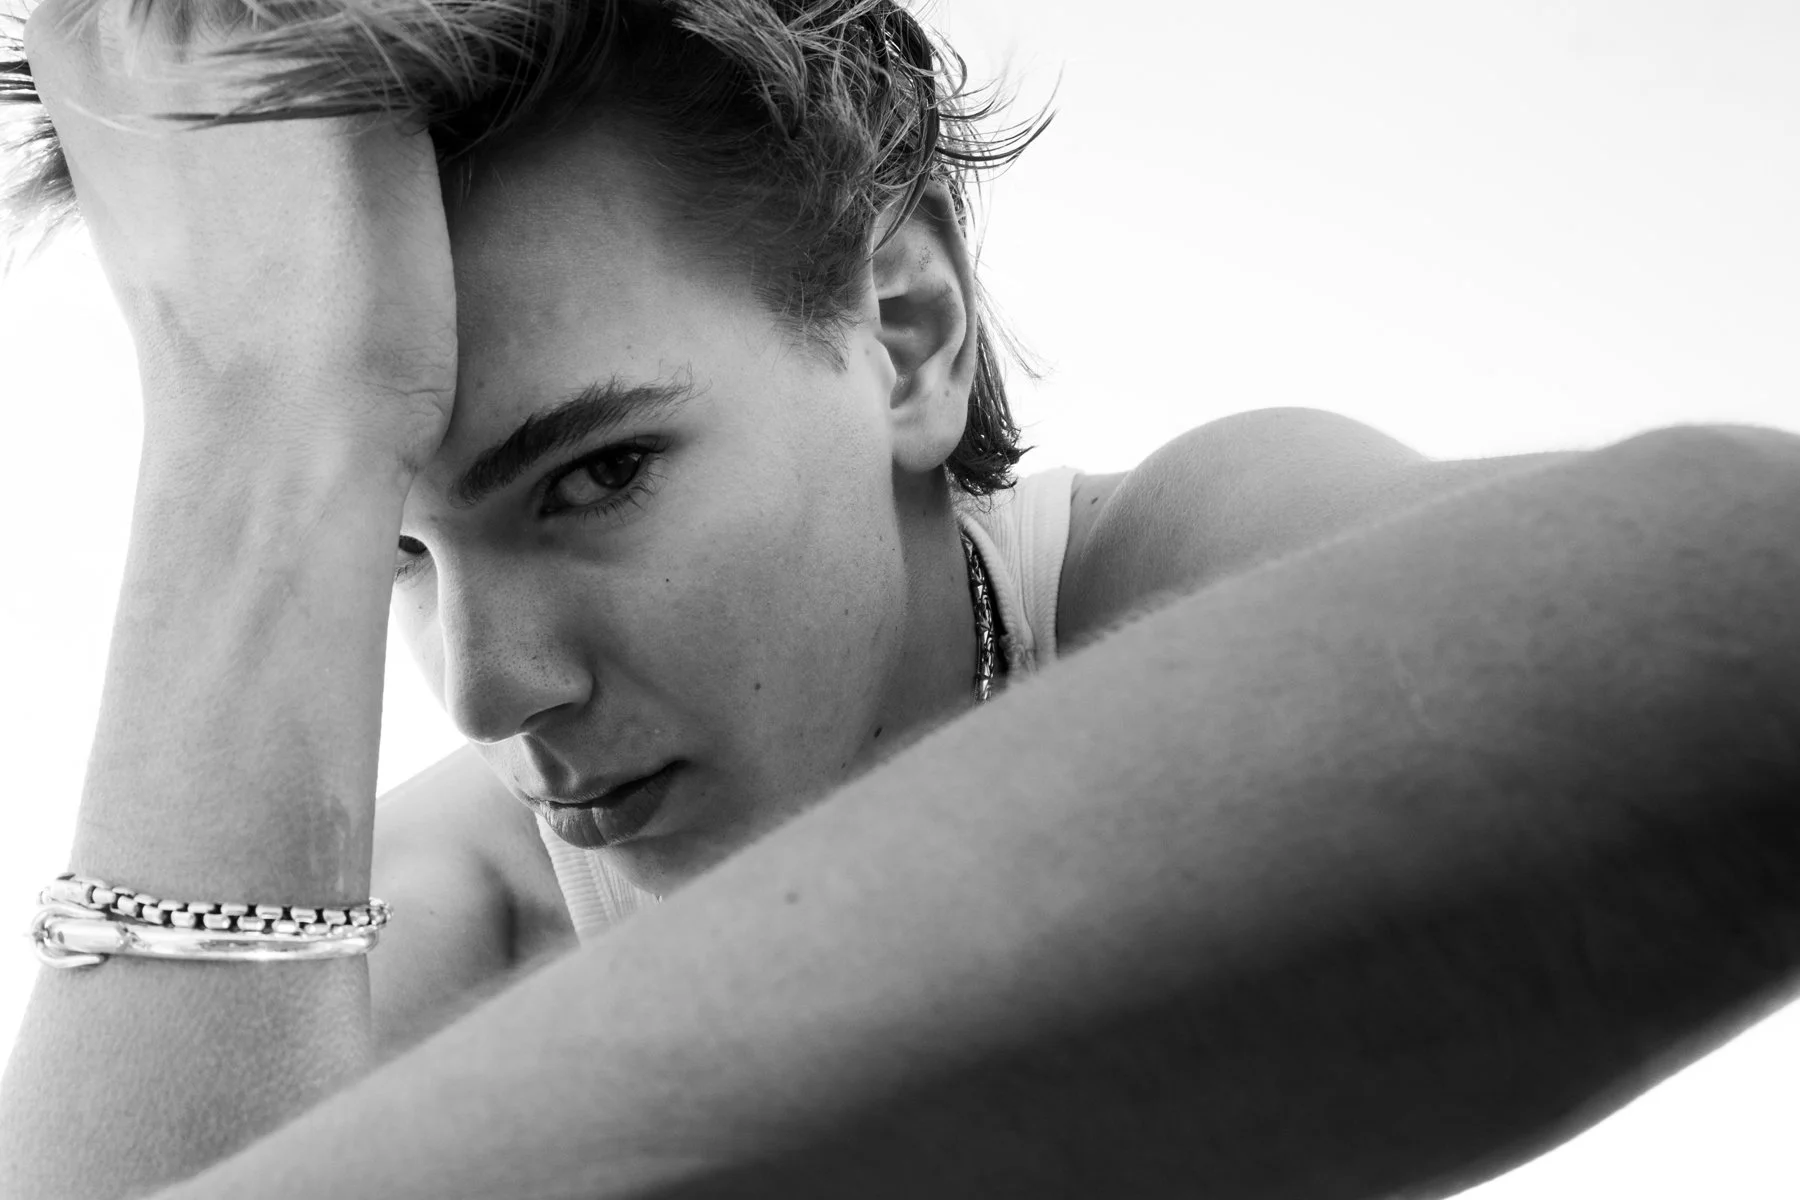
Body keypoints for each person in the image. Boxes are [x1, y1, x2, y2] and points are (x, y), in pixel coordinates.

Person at [2, 1, 1799, 1197]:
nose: (486, 689)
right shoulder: (412, 930)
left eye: (597, 474)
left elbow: (1750, 608)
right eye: (381, 547)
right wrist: (255, 437)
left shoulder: (1185, 571)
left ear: (906, 337)